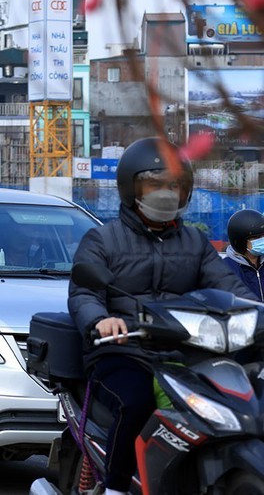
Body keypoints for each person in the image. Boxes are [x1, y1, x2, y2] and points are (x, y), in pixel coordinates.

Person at [69, 137, 254, 495]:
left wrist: (258, 314)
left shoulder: (195, 244)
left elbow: (230, 286)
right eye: (155, 185)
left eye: (174, 186)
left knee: (241, 400)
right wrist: (101, 321)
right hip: (123, 351)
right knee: (137, 401)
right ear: (130, 188)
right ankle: (117, 487)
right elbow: (84, 293)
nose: (166, 194)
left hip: (185, 352)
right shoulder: (102, 240)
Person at [221, 209, 264, 301]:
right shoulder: (226, 269)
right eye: (256, 237)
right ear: (240, 241)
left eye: (263, 235)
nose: (262, 240)